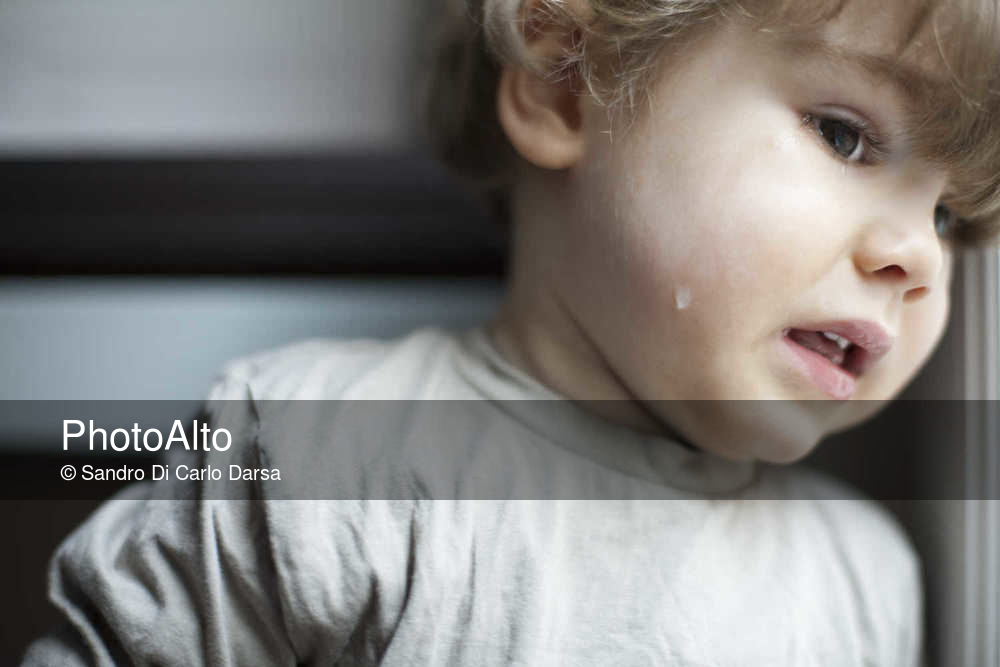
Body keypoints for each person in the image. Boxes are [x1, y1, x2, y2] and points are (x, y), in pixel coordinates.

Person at [23, 0, 1000, 664]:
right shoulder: (313, 449)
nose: (916, 254)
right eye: (843, 135)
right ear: (567, 79)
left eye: (951, 215)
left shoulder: (864, 573)